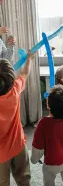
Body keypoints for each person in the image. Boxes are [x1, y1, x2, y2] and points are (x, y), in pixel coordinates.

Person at [31, 85, 63, 186]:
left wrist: (34, 159)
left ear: (48, 105)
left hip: (52, 162)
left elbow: (38, 145)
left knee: (48, 181)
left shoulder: (43, 123)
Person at [0, 52, 34, 186]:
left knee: (2, 182)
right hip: (18, 144)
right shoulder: (15, 89)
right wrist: (29, 59)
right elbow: (25, 73)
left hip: (1, 153)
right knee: (24, 178)